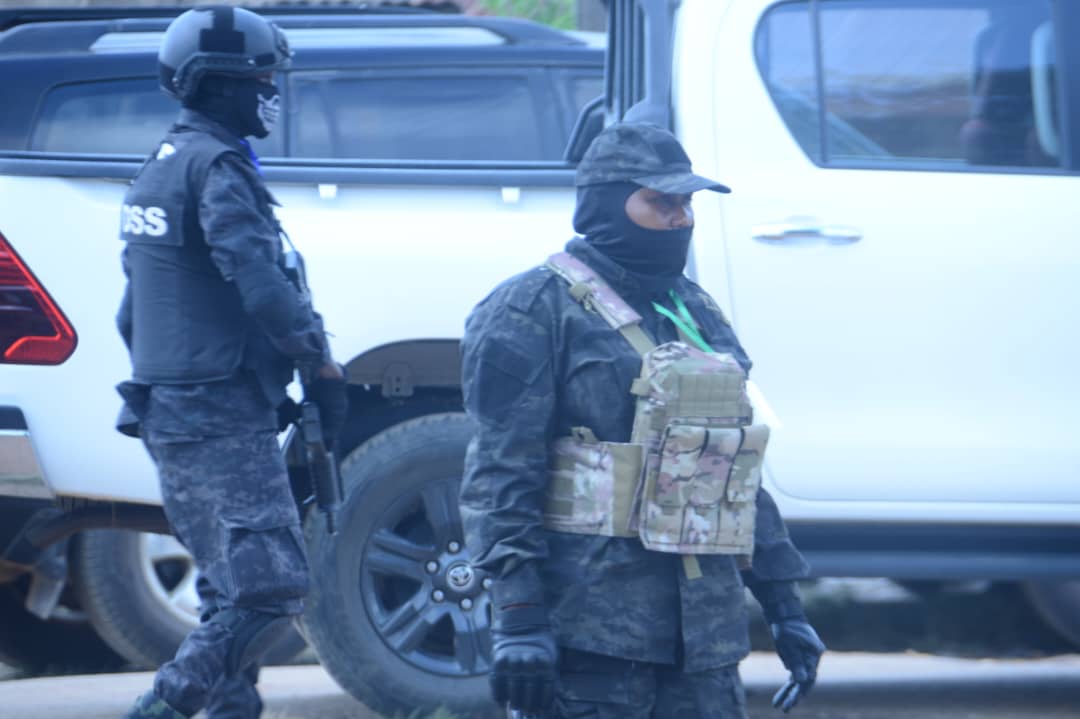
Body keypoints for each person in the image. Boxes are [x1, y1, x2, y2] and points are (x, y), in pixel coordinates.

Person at [459, 122, 825, 718]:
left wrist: (783, 607)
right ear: (606, 206)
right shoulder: (530, 310)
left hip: (705, 641)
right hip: (592, 633)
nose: (680, 217)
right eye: (661, 202)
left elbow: (733, 468)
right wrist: (519, 619)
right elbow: (501, 473)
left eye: (686, 203)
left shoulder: (693, 311)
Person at [114, 7, 347, 719]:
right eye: (262, 79)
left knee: (226, 585)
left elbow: (134, 309)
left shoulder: (160, 168)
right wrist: (319, 364)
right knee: (269, 589)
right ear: (221, 86)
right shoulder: (215, 169)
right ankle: (164, 706)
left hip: (173, 404)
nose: (272, 92)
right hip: (215, 410)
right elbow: (259, 281)